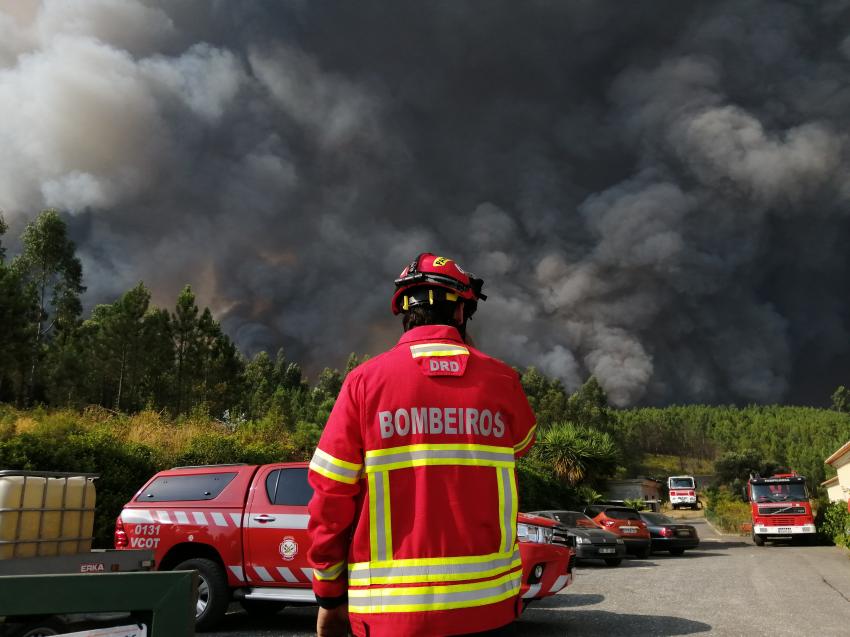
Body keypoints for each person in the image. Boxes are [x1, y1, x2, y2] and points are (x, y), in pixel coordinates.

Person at [307, 252, 537, 637]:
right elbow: (522, 443)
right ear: (461, 311)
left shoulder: (363, 383)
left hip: (389, 616)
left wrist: (329, 595)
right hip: (488, 610)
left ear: (404, 312)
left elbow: (330, 495)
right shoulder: (502, 381)